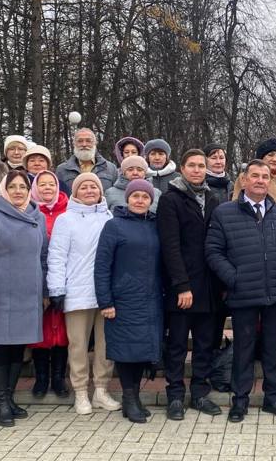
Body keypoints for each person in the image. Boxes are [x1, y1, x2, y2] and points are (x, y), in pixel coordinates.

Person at [206, 160, 276, 423]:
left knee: (273, 350)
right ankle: (240, 401)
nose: (261, 180)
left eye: (265, 176)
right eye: (255, 176)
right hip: (243, 294)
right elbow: (213, 252)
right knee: (243, 350)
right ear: (245, 180)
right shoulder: (225, 212)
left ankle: (274, 398)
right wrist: (234, 278)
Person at [0, 170, 49, 427]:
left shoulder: (37, 218)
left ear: (30, 190)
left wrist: (45, 293)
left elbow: (43, 259)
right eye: (13, 186)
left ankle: (10, 398)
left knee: (18, 349)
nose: (18, 191)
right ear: (4, 190)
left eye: (23, 186)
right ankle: (1, 403)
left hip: (28, 297)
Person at [46, 173, 120, 415]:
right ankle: (80, 391)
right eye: (84, 187)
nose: (90, 190)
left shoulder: (109, 217)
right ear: (76, 192)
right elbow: (56, 255)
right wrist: (56, 288)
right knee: (77, 344)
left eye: (94, 187)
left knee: (105, 343)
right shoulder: (66, 220)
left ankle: (100, 389)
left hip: (106, 293)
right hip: (77, 291)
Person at [158, 150, 221, 420]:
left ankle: (199, 393)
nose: (197, 170)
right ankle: (174, 395)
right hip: (182, 287)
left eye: (201, 166)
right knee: (178, 345)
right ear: (182, 169)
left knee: (206, 343)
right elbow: (170, 247)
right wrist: (182, 285)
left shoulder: (213, 198)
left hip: (209, 286)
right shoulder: (170, 199)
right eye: (192, 165)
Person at [95, 179, 163, 423]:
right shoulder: (114, 226)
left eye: (145, 197)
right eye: (135, 196)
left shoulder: (156, 225)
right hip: (123, 299)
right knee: (126, 351)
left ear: (150, 200)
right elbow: (102, 266)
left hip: (151, 299)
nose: (140, 200)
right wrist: (105, 301)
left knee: (142, 351)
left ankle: (134, 398)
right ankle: (129, 398)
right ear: (127, 198)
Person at [28, 170, 70, 399]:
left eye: (51, 185)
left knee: (62, 332)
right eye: (42, 185)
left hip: (64, 279)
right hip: (37, 278)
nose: (47, 189)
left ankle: (59, 378)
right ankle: (41, 378)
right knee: (41, 332)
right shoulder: (30, 212)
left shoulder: (68, 210)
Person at [56, 128, 119, 193]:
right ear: (74, 144)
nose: (84, 144)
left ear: (95, 143)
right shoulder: (62, 170)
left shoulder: (111, 168)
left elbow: (115, 195)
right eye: (80, 141)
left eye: (88, 141)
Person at [232, 138, 276, 206]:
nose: (274, 159)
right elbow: (236, 207)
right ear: (261, 158)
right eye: (270, 155)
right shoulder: (245, 177)